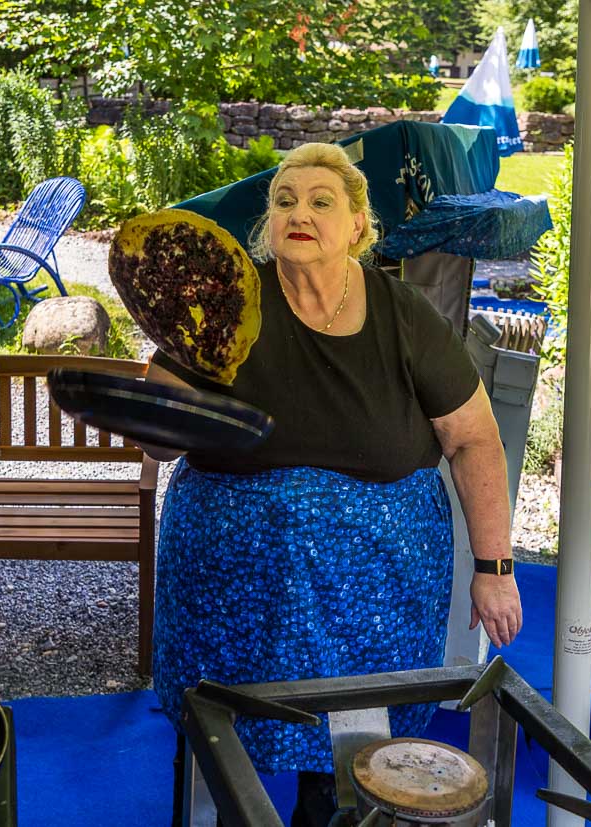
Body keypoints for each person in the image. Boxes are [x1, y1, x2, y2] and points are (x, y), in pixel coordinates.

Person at [144, 142, 522, 827]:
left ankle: (334, 808)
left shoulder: (404, 314)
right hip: (231, 576)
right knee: (219, 731)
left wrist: (494, 569)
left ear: (357, 225)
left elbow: (473, 438)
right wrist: (167, 358)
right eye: (284, 200)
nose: (300, 213)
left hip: (374, 583)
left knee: (351, 744)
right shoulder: (227, 304)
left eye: (322, 201)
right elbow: (160, 439)